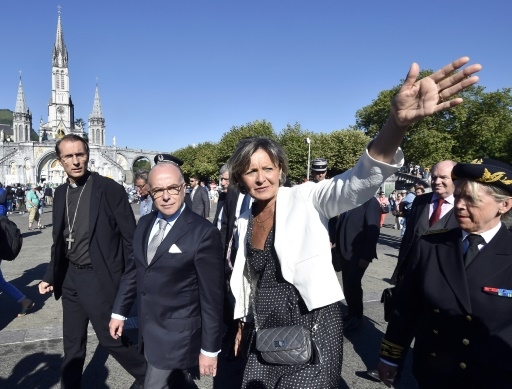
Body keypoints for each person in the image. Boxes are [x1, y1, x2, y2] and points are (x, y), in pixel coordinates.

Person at [227, 56, 481, 388]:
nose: (261, 178)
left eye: (268, 168)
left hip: (313, 321)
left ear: (280, 170)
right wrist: (243, 322)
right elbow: (249, 279)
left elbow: (356, 181)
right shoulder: (244, 215)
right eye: (251, 171)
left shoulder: (307, 198)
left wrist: (397, 124)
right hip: (265, 325)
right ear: (240, 177)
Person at [378, 158, 512, 388]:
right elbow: (406, 308)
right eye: (458, 196)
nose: (460, 205)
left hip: (494, 375)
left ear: (505, 205)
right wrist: (390, 356)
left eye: (471, 199)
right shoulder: (430, 245)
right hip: (435, 373)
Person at [38, 134, 146, 388]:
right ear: (59, 160)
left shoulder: (109, 189)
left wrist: (127, 282)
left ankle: (151, 376)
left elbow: (131, 240)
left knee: (110, 339)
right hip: (70, 279)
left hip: (98, 278)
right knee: (72, 343)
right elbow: (60, 239)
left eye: (80, 154)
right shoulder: (61, 192)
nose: (75, 161)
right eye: (68, 156)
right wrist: (51, 275)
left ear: (87, 155)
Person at [110, 158, 224, 388]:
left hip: (179, 335)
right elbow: (134, 271)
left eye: (172, 188)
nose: (166, 196)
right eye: (158, 190)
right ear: (150, 192)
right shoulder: (144, 223)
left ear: (183, 188)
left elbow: (212, 298)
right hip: (148, 330)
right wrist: (119, 312)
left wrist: (210, 349)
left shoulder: (203, 233)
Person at [391, 160, 459, 285]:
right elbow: (408, 237)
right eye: (434, 177)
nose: (437, 182)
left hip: (443, 280)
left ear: (456, 179)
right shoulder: (420, 201)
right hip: (411, 274)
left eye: (443, 177)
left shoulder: (465, 205)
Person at [335, 197, 381, 331]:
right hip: (344, 252)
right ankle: (351, 312)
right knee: (348, 285)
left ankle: (357, 317)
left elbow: (373, 231)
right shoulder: (348, 201)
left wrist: (366, 256)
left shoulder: (370, 202)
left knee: (353, 284)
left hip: (358, 254)